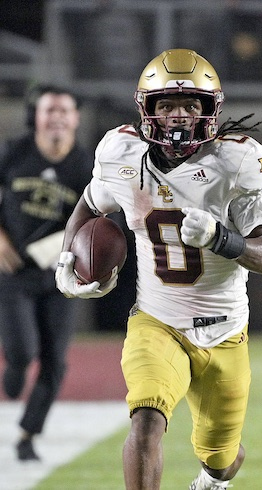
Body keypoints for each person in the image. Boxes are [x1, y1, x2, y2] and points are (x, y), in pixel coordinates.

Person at [54, 49, 262, 490]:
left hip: (225, 331)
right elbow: (89, 204)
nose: (178, 116)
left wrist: (222, 238)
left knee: (221, 459)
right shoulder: (122, 154)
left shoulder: (234, 164)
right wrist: (68, 260)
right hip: (157, 321)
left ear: (208, 111)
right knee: (145, 420)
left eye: (190, 105)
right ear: (148, 111)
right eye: (167, 105)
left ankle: (212, 480)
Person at [0, 85, 93, 461]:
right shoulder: (13, 152)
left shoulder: (86, 165)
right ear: (35, 115)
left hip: (61, 275)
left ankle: (27, 434)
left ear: (75, 118)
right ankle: (17, 364)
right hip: (15, 270)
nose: (57, 116)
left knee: (56, 358)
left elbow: (100, 217)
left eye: (64, 110)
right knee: (24, 350)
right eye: (49, 109)